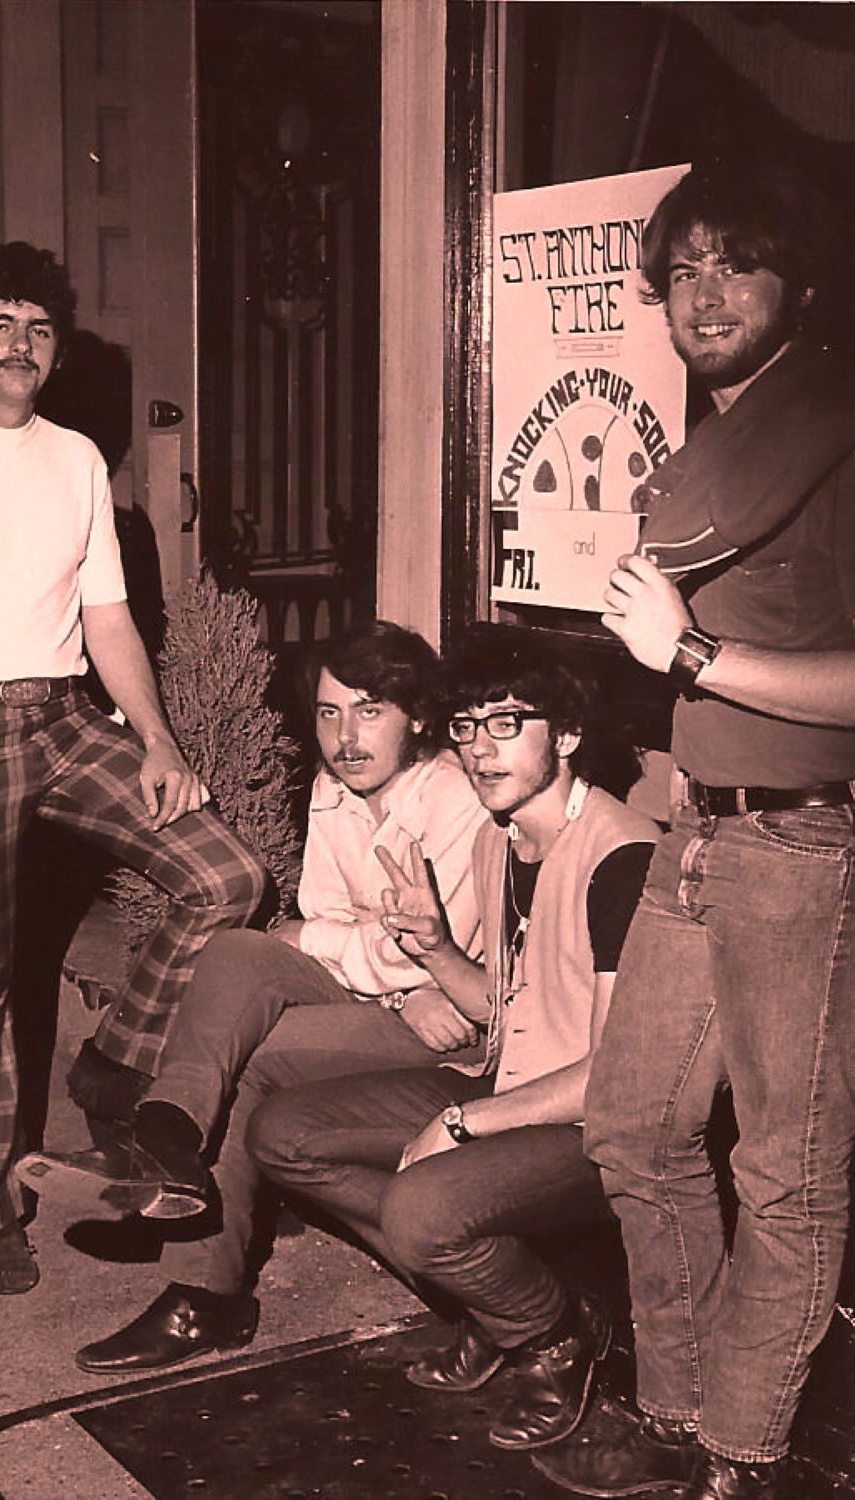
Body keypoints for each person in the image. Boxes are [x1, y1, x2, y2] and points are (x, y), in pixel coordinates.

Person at [0, 242, 267, 1296]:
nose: (20, 344)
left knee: (225, 875)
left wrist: (160, 741)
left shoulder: (77, 458)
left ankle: (113, 1063)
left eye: (39, 328)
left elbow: (109, 618)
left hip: (65, 716)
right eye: (0, 323)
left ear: (59, 347)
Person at [534, 159, 855, 1500]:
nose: (704, 293)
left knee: (784, 1172)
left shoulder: (830, 437)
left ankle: (741, 1455)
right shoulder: (719, 453)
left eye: (736, 263)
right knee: (631, 1125)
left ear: (800, 284)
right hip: (703, 833)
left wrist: (694, 654)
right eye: (681, 270)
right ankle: (675, 1414)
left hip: (806, 845)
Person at [18, 620, 489, 1372]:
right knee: (237, 951)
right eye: (330, 712)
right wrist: (344, 952)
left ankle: (205, 1296)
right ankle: (167, 1135)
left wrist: (350, 957)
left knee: (245, 1049)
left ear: (418, 719)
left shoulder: (454, 802)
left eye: (369, 711)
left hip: (454, 1024)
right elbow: (320, 923)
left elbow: (420, 955)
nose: (345, 737)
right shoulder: (334, 789)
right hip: (386, 999)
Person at [247, 624, 658, 1454]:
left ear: (566, 736)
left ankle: (552, 1334)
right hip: (510, 1085)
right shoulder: (498, 839)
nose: (479, 749)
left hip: (593, 1127)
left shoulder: (623, 857)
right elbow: (501, 1009)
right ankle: (489, 1304)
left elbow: (615, 1075)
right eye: (467, 726)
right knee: (282, 1133)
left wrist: (462, 1122)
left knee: (420, 1208)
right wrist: (435, 949)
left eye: (507, 723)